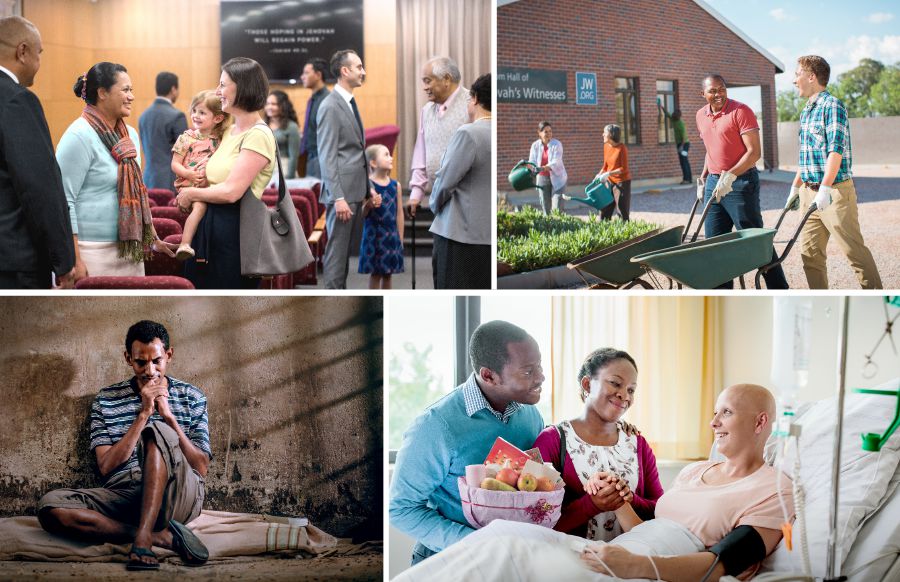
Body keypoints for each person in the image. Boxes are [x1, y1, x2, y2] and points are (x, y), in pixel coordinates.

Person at [398, 383, 793, 582]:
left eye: (725, 413)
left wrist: (635, 565)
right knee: (502, 534)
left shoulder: (774, 488)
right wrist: (618, 500)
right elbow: (651, 527)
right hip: (619, 549)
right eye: (714, 412)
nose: (713, 422)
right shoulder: (693, 472)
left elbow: (721, 564)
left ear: (760, 422)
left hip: (642, 565)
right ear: (587, 385)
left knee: (507, 554)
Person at [37, 320, 212, 571]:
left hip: (178, 494)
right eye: (141, 362)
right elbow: (106, 466)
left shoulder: (192, 397)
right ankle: (157, 536)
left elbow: (201, 468)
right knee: (50, 506)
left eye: (157, 361)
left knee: (157, 431)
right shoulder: (106, 400)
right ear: (128, 358)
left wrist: (168, 418)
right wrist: (143, 415)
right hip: (127, 492)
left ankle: (142, 539)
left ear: (169, 355)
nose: (150, 371)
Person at [390, 320, 546, 566]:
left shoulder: (531, 416)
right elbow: (401, 509)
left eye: (539, 366)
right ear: (489, 375)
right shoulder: (435, 426)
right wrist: (478, 545)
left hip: (511, 561)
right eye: (528, 371)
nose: (541, 377)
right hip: (447, 563)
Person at [58, 62, 173, 281]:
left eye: (132, 90)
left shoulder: (129, 134)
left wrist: (152, 238)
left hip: (130, 250)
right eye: (125, 90)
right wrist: (75, 259)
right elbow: (64, 201)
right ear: (102, 93)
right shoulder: (78, 136)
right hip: (91, 252)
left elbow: (137, 192)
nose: (131, 97)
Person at [533, 349, 663, 541]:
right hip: (573, 561)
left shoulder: (638, 443)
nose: (624, 395)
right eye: (616, 383)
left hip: (630, 561)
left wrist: (627, 498)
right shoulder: (552, 440)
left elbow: (660, 509)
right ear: (587, 384)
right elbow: (536, 517)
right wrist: (591, 504)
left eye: (631, 390)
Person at [174, 57, 276, 289]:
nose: (217, 91)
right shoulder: (229, 130)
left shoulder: (257, 134)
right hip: (211, 228)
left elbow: (232, 192)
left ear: (242, 88)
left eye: (222, 85)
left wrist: (191, 194)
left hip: (235, 233)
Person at [786, 55, 882, 289]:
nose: (793, 80)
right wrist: (796, 187)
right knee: (810, 255)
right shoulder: (806, 111)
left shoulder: (833, 106)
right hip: (810, 193)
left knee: (854, 253)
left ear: (811, 76)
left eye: (797, 74)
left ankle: (880, 302)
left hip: (835, 193)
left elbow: (835, 151)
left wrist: (826, 188)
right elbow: (806, 156)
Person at [0, 15, 75, 289]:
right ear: (22, 52)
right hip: (14, 263)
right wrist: (64, 261)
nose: (39, 63)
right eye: (39, 53)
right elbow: (39, 188)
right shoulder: (17, 100)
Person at [695, 74, 789, 290]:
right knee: (715, 243)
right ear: (703, 94)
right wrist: (704, 176)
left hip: (740, 183)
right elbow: (711, 149)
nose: (718, 94)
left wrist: (731, 175)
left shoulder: (741, 111)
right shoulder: (701, 115)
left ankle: (779, 288)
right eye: (713, 91)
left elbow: (754, 153)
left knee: (755, 240)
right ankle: (723, 294)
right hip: (713, 184)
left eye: (722, 89)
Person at [316, 49, 375, 289]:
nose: (363, 71)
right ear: (345, 71)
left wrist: (368, 190)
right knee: (337, 254)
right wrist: (338, 196)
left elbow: (356, 152)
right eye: (359, 66)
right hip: (341, 193)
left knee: (343, 258)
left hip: (354, 190)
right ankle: (332, 297)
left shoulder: (347, 101)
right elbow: (328, 155)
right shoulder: (330, 106)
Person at [429, 73, 492, 289]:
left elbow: (445, 182)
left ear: (474, 99)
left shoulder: (468, 133)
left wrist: (433, 206)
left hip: (459, 238)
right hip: (487, 239)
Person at [405, 56, 470, 218]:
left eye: (428, 81)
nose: (424, 87)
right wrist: (416, 193)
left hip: (468, 199)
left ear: (446, 79)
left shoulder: (472, 104)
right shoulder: (426, 110)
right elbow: (421, 154)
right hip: (438, 199)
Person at [170, 90, 229, 261]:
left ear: (217, 118)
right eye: (194, 110)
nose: (196, 115)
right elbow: (174, 164)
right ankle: (185, 244)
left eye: (202, 112)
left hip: (207, 186)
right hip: (188, 185)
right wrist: (188, 173)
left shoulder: (220, 139)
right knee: (200, 207)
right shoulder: (186, 138)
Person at [359, 144, 404, 289]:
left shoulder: (395, 185)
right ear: (373, 163)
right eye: (386, 155)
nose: (390, 158)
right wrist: (369, 204)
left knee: (388, 274)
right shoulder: (368, 185)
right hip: (374, 236)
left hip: (391, 235)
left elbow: (399, 213)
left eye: (390, 154)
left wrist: (400, 238)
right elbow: (363, 213)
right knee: (376, 274)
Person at [138, 71, 187, 191]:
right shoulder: (177, 116)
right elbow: (186, 151)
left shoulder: (143, 116)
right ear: (173, 89)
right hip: (170, 181)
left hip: (148, 180)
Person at [298, 57, 329, 178]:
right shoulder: (313, 99)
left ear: (318, 75)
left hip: (321, 158)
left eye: (306, 73)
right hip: (311, 157)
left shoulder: (327, 100)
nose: (302, 77)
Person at [529, 121, 568, 214]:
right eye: (546, 131)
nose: (549, 133)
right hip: (542, 178)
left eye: (550, 131)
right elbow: (532, 161)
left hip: (558, 178)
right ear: (539, 132)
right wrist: (529, 166)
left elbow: (556, 161)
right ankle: (548, 227)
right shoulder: (535, 145)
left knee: (557, 208)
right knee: (545, 208)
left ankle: (559, 226)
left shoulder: (557, 144)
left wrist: (545, 167)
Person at [265, 89, 300, 179]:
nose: (269, 107)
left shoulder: (292, 127)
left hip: (283, 170)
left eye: (273, 104)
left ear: (283, 106)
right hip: (265, 171)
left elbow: (293, 156)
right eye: (267, 104)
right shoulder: (262, 125)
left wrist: (290, 177)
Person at [672, 109, 692, 184]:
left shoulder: (681, 123)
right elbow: (667, 114)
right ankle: (687, 179)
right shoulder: (674, 121)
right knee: (683, 161)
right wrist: (661, 107)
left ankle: (687, 179)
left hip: (684, 144)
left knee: (684, 161)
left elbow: (684, 137)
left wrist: (681, 147)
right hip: (680, 144)